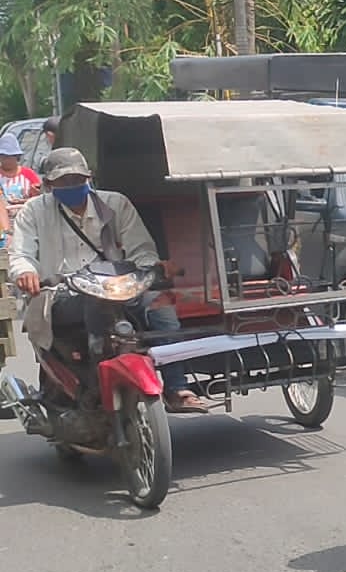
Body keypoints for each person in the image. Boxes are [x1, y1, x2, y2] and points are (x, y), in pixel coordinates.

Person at [9, 147, 203, 414]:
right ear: (49, 184)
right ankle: (94, 381)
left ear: (88, 178)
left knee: (161, 307)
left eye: (77, 179)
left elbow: (141, 250)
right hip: (61, 294)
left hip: (119, 286)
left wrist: (151, 267)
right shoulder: (34, 211)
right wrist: (25, 272)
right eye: (64, 181)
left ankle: (177, 387)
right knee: (96, 305)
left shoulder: (115, 203)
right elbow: (21, 254)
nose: (72, 185)